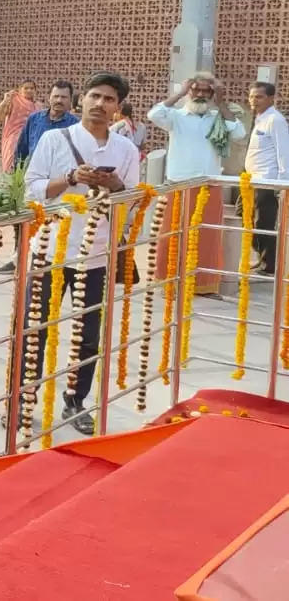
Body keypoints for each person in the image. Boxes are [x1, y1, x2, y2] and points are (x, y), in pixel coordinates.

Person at [25, 72, 140, 436]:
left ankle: (76, 402)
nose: (100, 104)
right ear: (82, 101)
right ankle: (22, 401)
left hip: (96, 256)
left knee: (87, 335)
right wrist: (72, 177)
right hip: (49, 252)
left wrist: (115, 186)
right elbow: (32, 192)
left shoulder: (125, 150)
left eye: (109, 99)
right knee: (33, 331)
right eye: (94, 96)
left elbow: (133, 205)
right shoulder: (54, 138)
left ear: (117, 108)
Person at [149, 74, 243, 297]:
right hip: (177, 186)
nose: (201, 95)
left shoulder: (216, 117)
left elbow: (239, 133)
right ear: (188, 91)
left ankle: (204, 286)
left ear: (212, 95)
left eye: (206, 92)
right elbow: (153, 114)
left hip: (208, 187)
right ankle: (170, 283)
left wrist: (221, 102)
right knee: (172, 237)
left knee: (206, 238)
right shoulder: (176, 116)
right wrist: (180, 94)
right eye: (196, 90)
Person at [246, 82, 289, 274]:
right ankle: (261, 254)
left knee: (264, 222)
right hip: (251, 179)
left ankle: (268, 264)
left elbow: (283, 152)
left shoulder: (275, 120)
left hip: (267, 180)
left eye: (259, 97)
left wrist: (281, 183)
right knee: (246, 217)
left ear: (271, 99)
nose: (254, 101)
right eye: (252, 96)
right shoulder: (258, 118)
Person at [15, 80, 78, 164]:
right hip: (33, 173)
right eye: (56, 96)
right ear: (49, 98)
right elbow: (21, 150)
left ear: (70, 100)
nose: (59, 100)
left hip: (61, 175)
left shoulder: (75, 125)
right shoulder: (34, 119)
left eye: (64, 97)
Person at [0, 80, 39, 173]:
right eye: (26, 88)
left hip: (31, 143)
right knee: (11, 171)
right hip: (13, 142)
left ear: (35, 91)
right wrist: (5, 101)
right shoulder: (14, 101)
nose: (29, 90)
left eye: (32, 88)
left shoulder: (38, 106)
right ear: (20, 90)